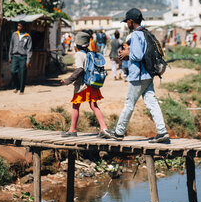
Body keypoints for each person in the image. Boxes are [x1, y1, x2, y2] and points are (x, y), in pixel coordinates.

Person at [103, 8, 169, 143]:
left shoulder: (136, 35)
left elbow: (138, 56)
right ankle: (162, 131)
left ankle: (119, 132)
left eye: (127, 21)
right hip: (148, 74)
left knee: (129, 103)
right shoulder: (145, 33)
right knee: (152, 102)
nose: (126, 24)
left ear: (131, 21)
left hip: (138, 75)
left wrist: (127, 54)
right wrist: (130, 53)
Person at [60, 32, 108, 137]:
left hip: (82, 85)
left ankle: (72, 130)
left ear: (76, 44)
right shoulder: (90, 53)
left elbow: (80, 69)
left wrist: (68, 80)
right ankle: (104, 128)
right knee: (94, 106)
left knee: (75, 106)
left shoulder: (79, 55)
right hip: (92, 84)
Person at [9, 21, 33, 94]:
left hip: (23, 57)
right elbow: (11, 45)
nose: (18, 27)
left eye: (20, 26)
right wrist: (10, 56)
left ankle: (21, 90)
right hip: (15, 56)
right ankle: (17, 86)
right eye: (18, 26)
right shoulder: (14, 34)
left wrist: (28, 61)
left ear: (24, 27)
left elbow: (29, 49)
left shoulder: (28, 36)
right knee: (13, 71)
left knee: (22, 73)